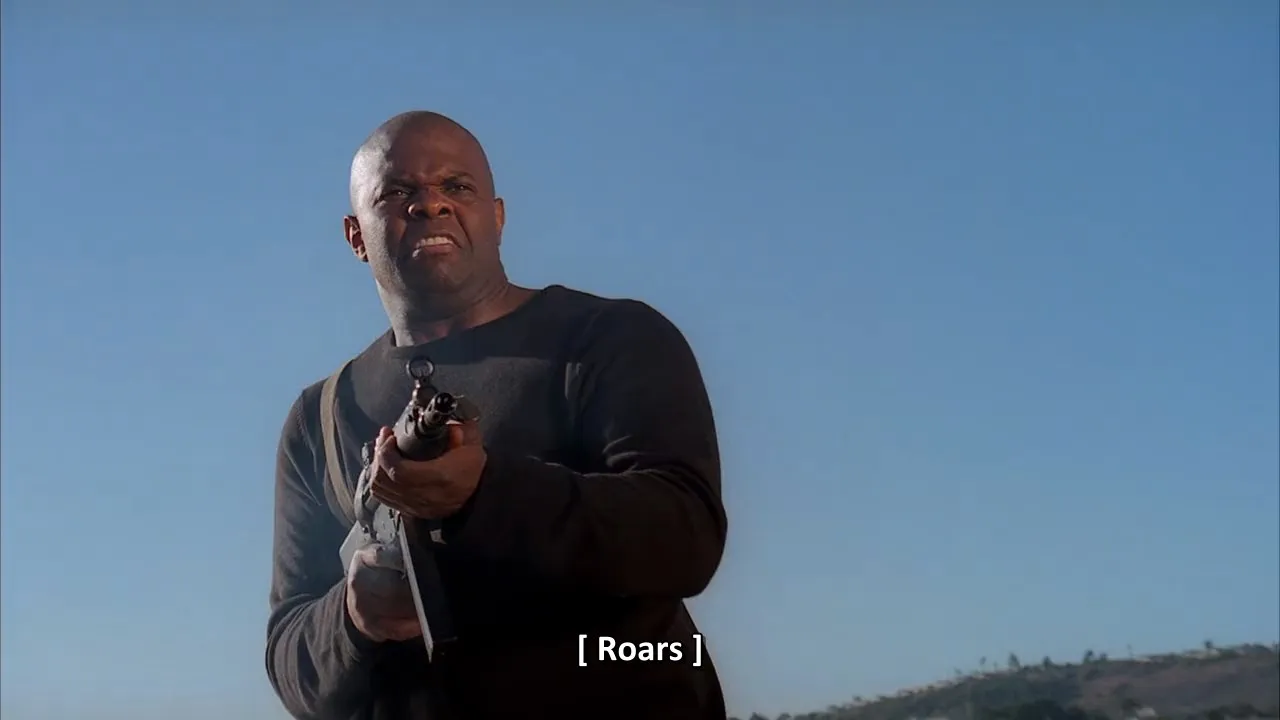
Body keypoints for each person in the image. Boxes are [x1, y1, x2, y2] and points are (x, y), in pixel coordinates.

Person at [264, 110, 729, 720]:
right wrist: (354, 616)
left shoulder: (609, 339)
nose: (430, 205)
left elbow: (686, 538)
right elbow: (292, 663)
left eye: (456, 186)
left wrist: (484, 496)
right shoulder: (320, 418)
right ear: (355, 236)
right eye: (397, 192)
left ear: (498, 217)